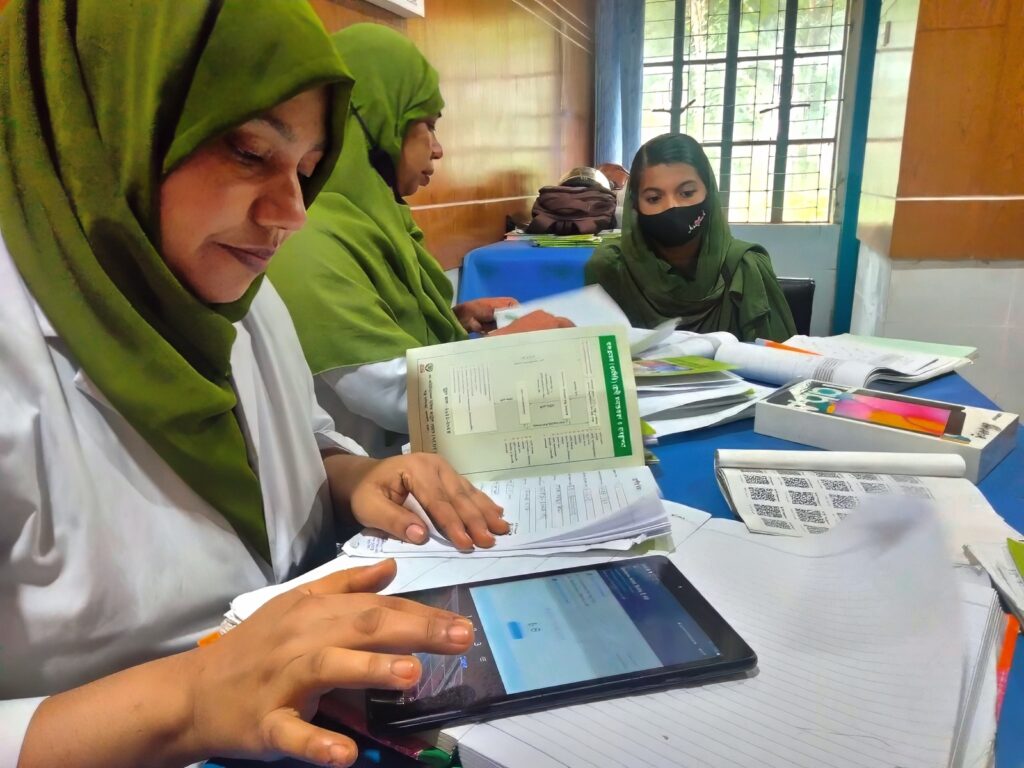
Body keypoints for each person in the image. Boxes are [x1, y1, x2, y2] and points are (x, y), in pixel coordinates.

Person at [0, 2, 508, 766]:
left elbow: (295, 438)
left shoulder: (239, 294)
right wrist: (189, 701)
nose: (291, 214)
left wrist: (360, 477)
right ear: (107, 115)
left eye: (307, 170)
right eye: (247, 151)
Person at [268, 24, 570, 458]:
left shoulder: (371, 219)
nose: (438, 148)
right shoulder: (307, 238)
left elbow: (376, 334)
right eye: (426, 123)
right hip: (363, 491)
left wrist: (453, 317)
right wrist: (516, 345)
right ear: (376, 121)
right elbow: (399, 399)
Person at [585, 133, 796, 342]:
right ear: (636, 205)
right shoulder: (613, 267)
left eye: (686, 193)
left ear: (709, 192)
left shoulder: (745, 267)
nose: (672, 206)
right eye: (654, 198)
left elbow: (780, 363)